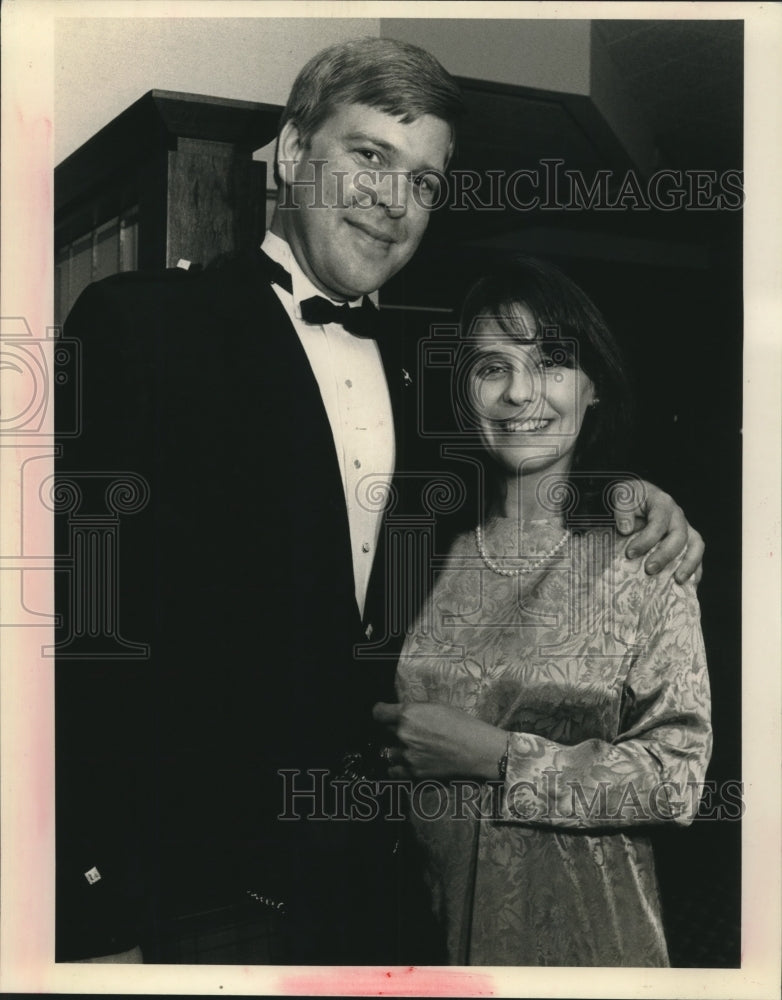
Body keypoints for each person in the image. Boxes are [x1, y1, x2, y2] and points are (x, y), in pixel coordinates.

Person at [56, 39, 704, 965]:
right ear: (289, 153)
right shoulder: (140, 324)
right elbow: (80, 637)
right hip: (187, 882)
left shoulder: (426, 375)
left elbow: (522, 476)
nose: (395, 203)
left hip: (382, 885)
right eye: (369, 157)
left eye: (426, 182)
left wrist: (631, 491)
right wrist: (94, 900)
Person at [374, 256, 712, 966]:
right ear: (464, 393)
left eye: (554, 361)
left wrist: (493, 757)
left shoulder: (644, 556)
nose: (522, 392)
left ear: (594, 388)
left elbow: (677, 779)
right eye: (491, 367)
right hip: (418, 933)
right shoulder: (416, 547)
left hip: (584, 944)